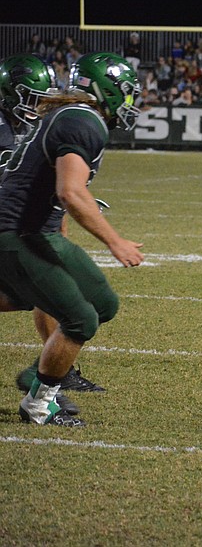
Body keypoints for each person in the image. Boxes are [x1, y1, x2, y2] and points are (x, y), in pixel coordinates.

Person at [0, 51, 145, 427]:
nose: (131, 100)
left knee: (102, 303)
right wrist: (115, 241)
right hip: (18, 233)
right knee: (80, 318)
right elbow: (70, 192)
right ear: (107, 88)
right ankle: (38, 405)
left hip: (38, 231)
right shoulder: (82, 120)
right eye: (128, 91)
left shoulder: (74, 116)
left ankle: (39, 372)